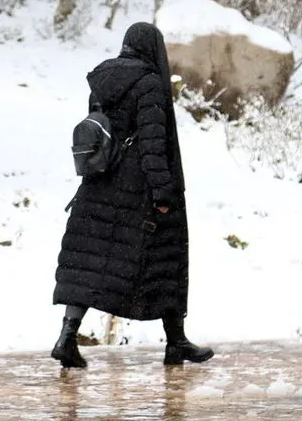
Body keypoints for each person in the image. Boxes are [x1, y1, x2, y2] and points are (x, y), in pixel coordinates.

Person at [51, 22, 213, 369]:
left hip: (99, 187)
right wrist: (163, 193)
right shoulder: (151, 83)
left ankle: (67, 337)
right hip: (139, 192)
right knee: (167, 261)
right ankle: (176, 342)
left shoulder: (103, 80)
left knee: (86, 267)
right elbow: (154, 146)